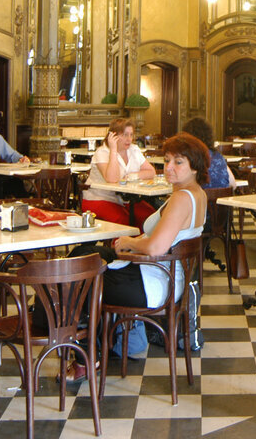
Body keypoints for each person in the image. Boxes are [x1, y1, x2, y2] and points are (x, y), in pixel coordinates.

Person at [68, 131, 208, 382]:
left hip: (151, 284)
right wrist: (131, 246)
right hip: (167, 278)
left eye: (178, 162)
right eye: (167, 160)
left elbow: (156, 248)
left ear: (195, 167)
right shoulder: (197, 194)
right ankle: (100, 341)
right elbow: (166, 242)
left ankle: (85, 355)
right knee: (85, 253)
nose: (169, 168)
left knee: (81, 274)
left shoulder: (182, 198)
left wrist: (131, 242)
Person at [81, 118, 158, 228]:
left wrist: (133, 176)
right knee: (122, 219)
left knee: (149, 216)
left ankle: (140, 244)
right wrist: (113, 150)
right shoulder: (102, 152)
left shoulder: (134, 150)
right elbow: (112, 179)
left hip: (124, 199)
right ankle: (122, 245)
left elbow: (151, 172)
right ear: (113, 136)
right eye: (125, 135)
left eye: (131, 135)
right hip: (99, 198)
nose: (129, 139)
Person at [181, 117, 236, 190]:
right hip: (220, 200)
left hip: (199, 200)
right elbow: (233, 185)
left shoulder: (191, 157)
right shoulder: (218, 157)